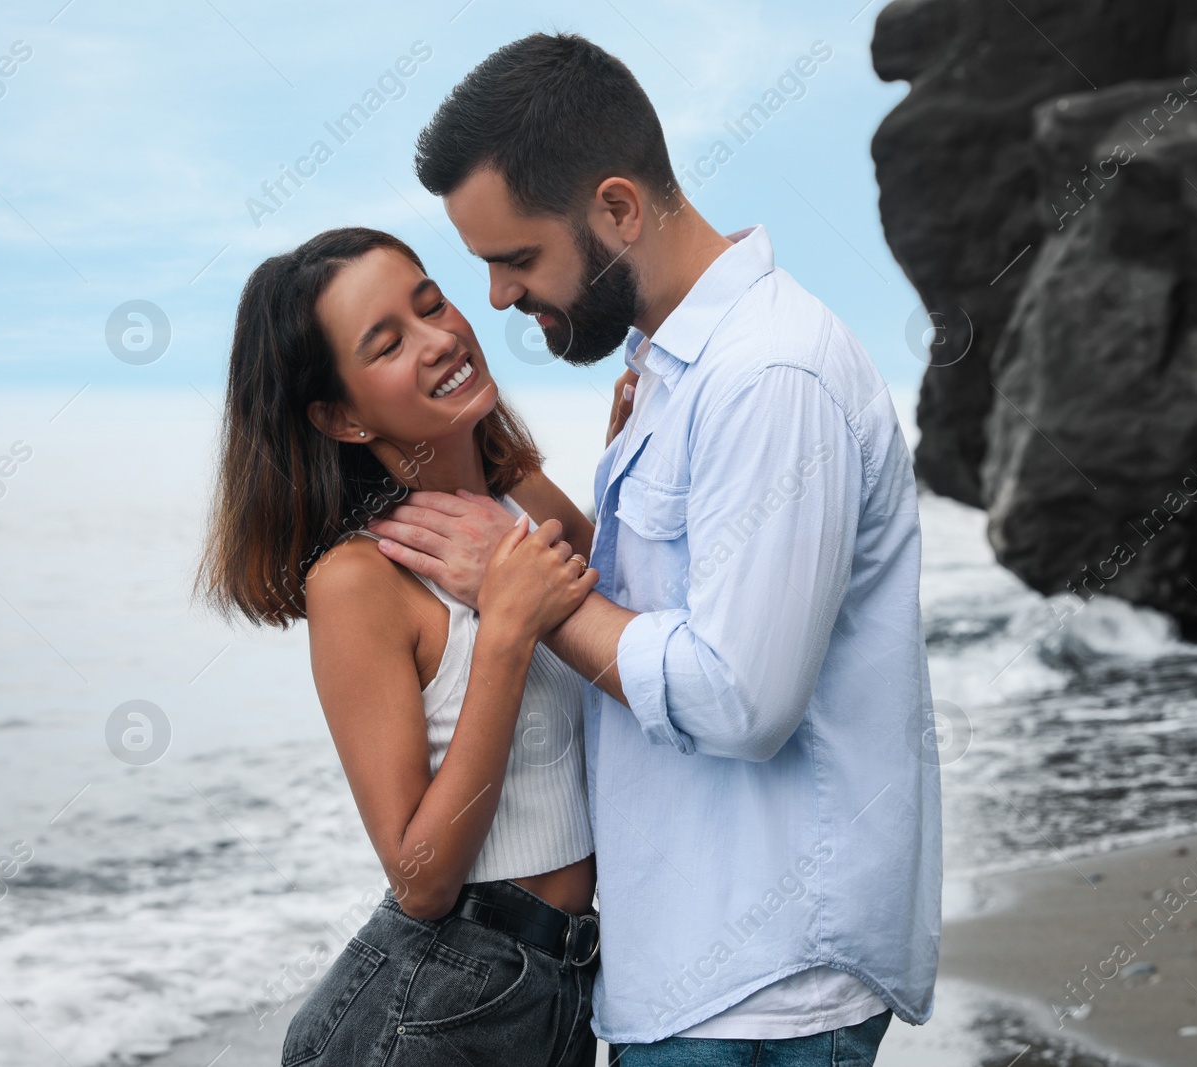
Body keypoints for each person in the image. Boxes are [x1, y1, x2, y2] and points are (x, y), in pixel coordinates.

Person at [371, 32, 942, 1064]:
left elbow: (739, 696)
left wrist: (520, 599)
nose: (497, 297)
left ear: (618, 209)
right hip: (691, 966)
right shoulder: (670, 371)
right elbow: (670, 605)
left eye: (515, 258)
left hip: (756, 986)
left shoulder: (770, 376)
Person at [196, 226, 615, 1067]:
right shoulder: (356, 580)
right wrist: (501, 632)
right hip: (441, 1002)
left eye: (431, 303)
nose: (439, 339)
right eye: (388, 342)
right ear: (340, 415)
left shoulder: (521, 495)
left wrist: (631, 458)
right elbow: (420, 877)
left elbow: (616, 628)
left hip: (571, 984)